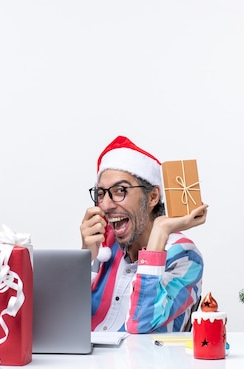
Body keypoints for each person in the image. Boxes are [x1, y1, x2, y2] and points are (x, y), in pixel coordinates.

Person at [80, 136, 208, 333]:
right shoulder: (103, 247)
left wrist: (160, 232)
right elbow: (63, 325)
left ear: (153, 197)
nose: (104, 205)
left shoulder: (185, 256)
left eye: (120, 190)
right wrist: (84, 258)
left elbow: (141, 327)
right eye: (101, 193)